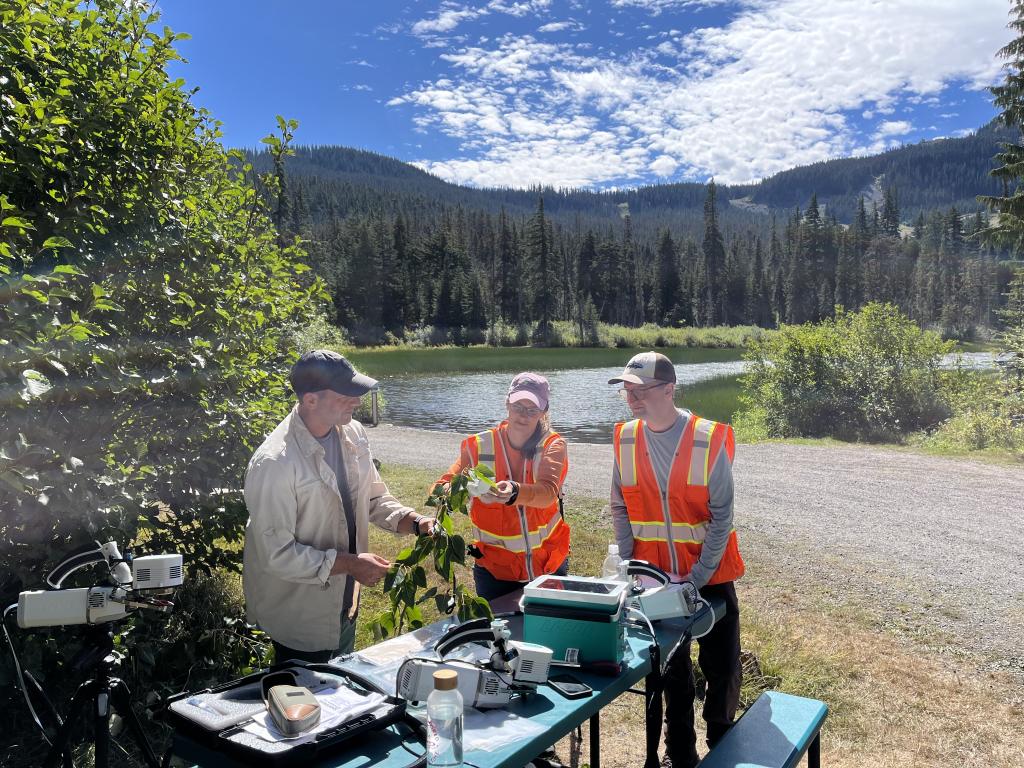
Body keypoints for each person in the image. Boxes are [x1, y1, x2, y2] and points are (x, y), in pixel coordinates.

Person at [243, 350, 435, 663]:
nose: (357, 401)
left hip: (346, 604)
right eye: (346, 395)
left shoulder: (352, 433)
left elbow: (373, 498)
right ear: (310, 401)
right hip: (301, 615)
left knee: (342, 695)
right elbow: (277, 555)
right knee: (304, 702)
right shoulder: (275, 463)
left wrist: (414, 522)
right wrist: (350, 564)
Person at [608, 351, 744, 768]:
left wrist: (698, 576)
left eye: (640, 390)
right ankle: (680, 753)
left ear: (668, 390)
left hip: (711, 574)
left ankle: (724, 745)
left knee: (721, 666)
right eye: (626, 391)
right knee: (671, 671)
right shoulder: (625, 437)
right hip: (654, 579)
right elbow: (619, 507)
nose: (631, 399)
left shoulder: (707, 438)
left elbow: (722, 514)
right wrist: (631, 566)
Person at [435, 372, 570, 601]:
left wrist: (514, 491)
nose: (523, 415)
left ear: (543, 411)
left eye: (532, 410)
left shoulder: (552, 444)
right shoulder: (479, 445)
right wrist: (466, 487)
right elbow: (441, 489)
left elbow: (547, 493)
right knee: (497, 633)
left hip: (548, 565)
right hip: (494, 570)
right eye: (518, 406)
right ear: (507, 402)